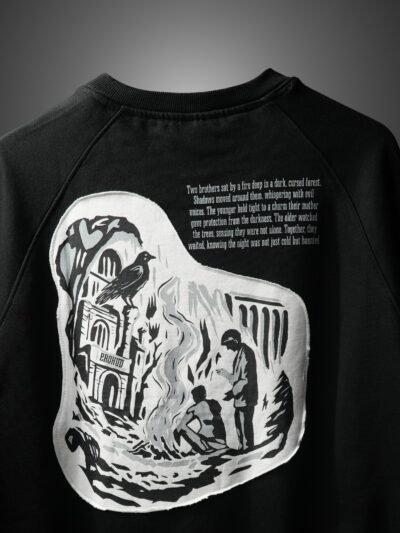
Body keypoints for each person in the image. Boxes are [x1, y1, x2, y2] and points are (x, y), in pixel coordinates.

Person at [216, 329, 258, 450]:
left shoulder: (246, 353)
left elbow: (245, 380)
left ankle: (246, 450)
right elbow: (237, 378)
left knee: (244, 426)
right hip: (241, 399)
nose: (228, 348)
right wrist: (226, 374)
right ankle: (243, 449)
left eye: (228, 344)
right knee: (240, 425)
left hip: (246, 399)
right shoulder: (241, 353)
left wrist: (232, 393)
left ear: (235, 341)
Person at [176, 385, 227, 454]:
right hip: (222, 443)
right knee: (203, 429)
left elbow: (180, 426)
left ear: (195, 397)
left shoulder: (195, 408)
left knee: (181, 427)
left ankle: (176, 449)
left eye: (194, 396)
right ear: (204, 394)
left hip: (208, 444)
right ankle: (194, 450)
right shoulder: (214, 402)